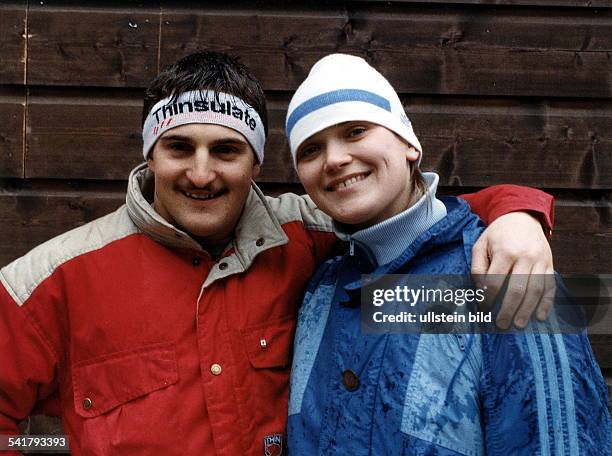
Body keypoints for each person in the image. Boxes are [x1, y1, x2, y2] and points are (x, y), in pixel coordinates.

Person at [0, 51, 556, 455]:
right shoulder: (50, 279)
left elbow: (417, 215)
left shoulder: (310, 239)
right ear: (150, 156)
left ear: (257, 164)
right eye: (177, 148)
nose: (200, 173)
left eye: (225, 150)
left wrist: (517, 213)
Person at [286, 53, 611, 455]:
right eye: (311, 149)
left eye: (355, 131)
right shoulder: (322, 286)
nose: (334, 159)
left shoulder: (502, 270)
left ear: (408, 144)